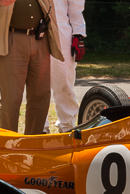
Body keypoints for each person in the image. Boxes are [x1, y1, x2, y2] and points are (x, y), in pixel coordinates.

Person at [0, 0, 65, 135]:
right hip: (10, 40)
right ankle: (8, 143)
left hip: (41, 39)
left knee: (40, 96)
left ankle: (33, 143)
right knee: (11, 98)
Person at [45, 0, 86, 133]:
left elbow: (76, 6)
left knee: (64, 82)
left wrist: (78, 34)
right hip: (33, 30)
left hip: (62, 30)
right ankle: (40, 127)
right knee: (37, 84)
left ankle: (67, 127)